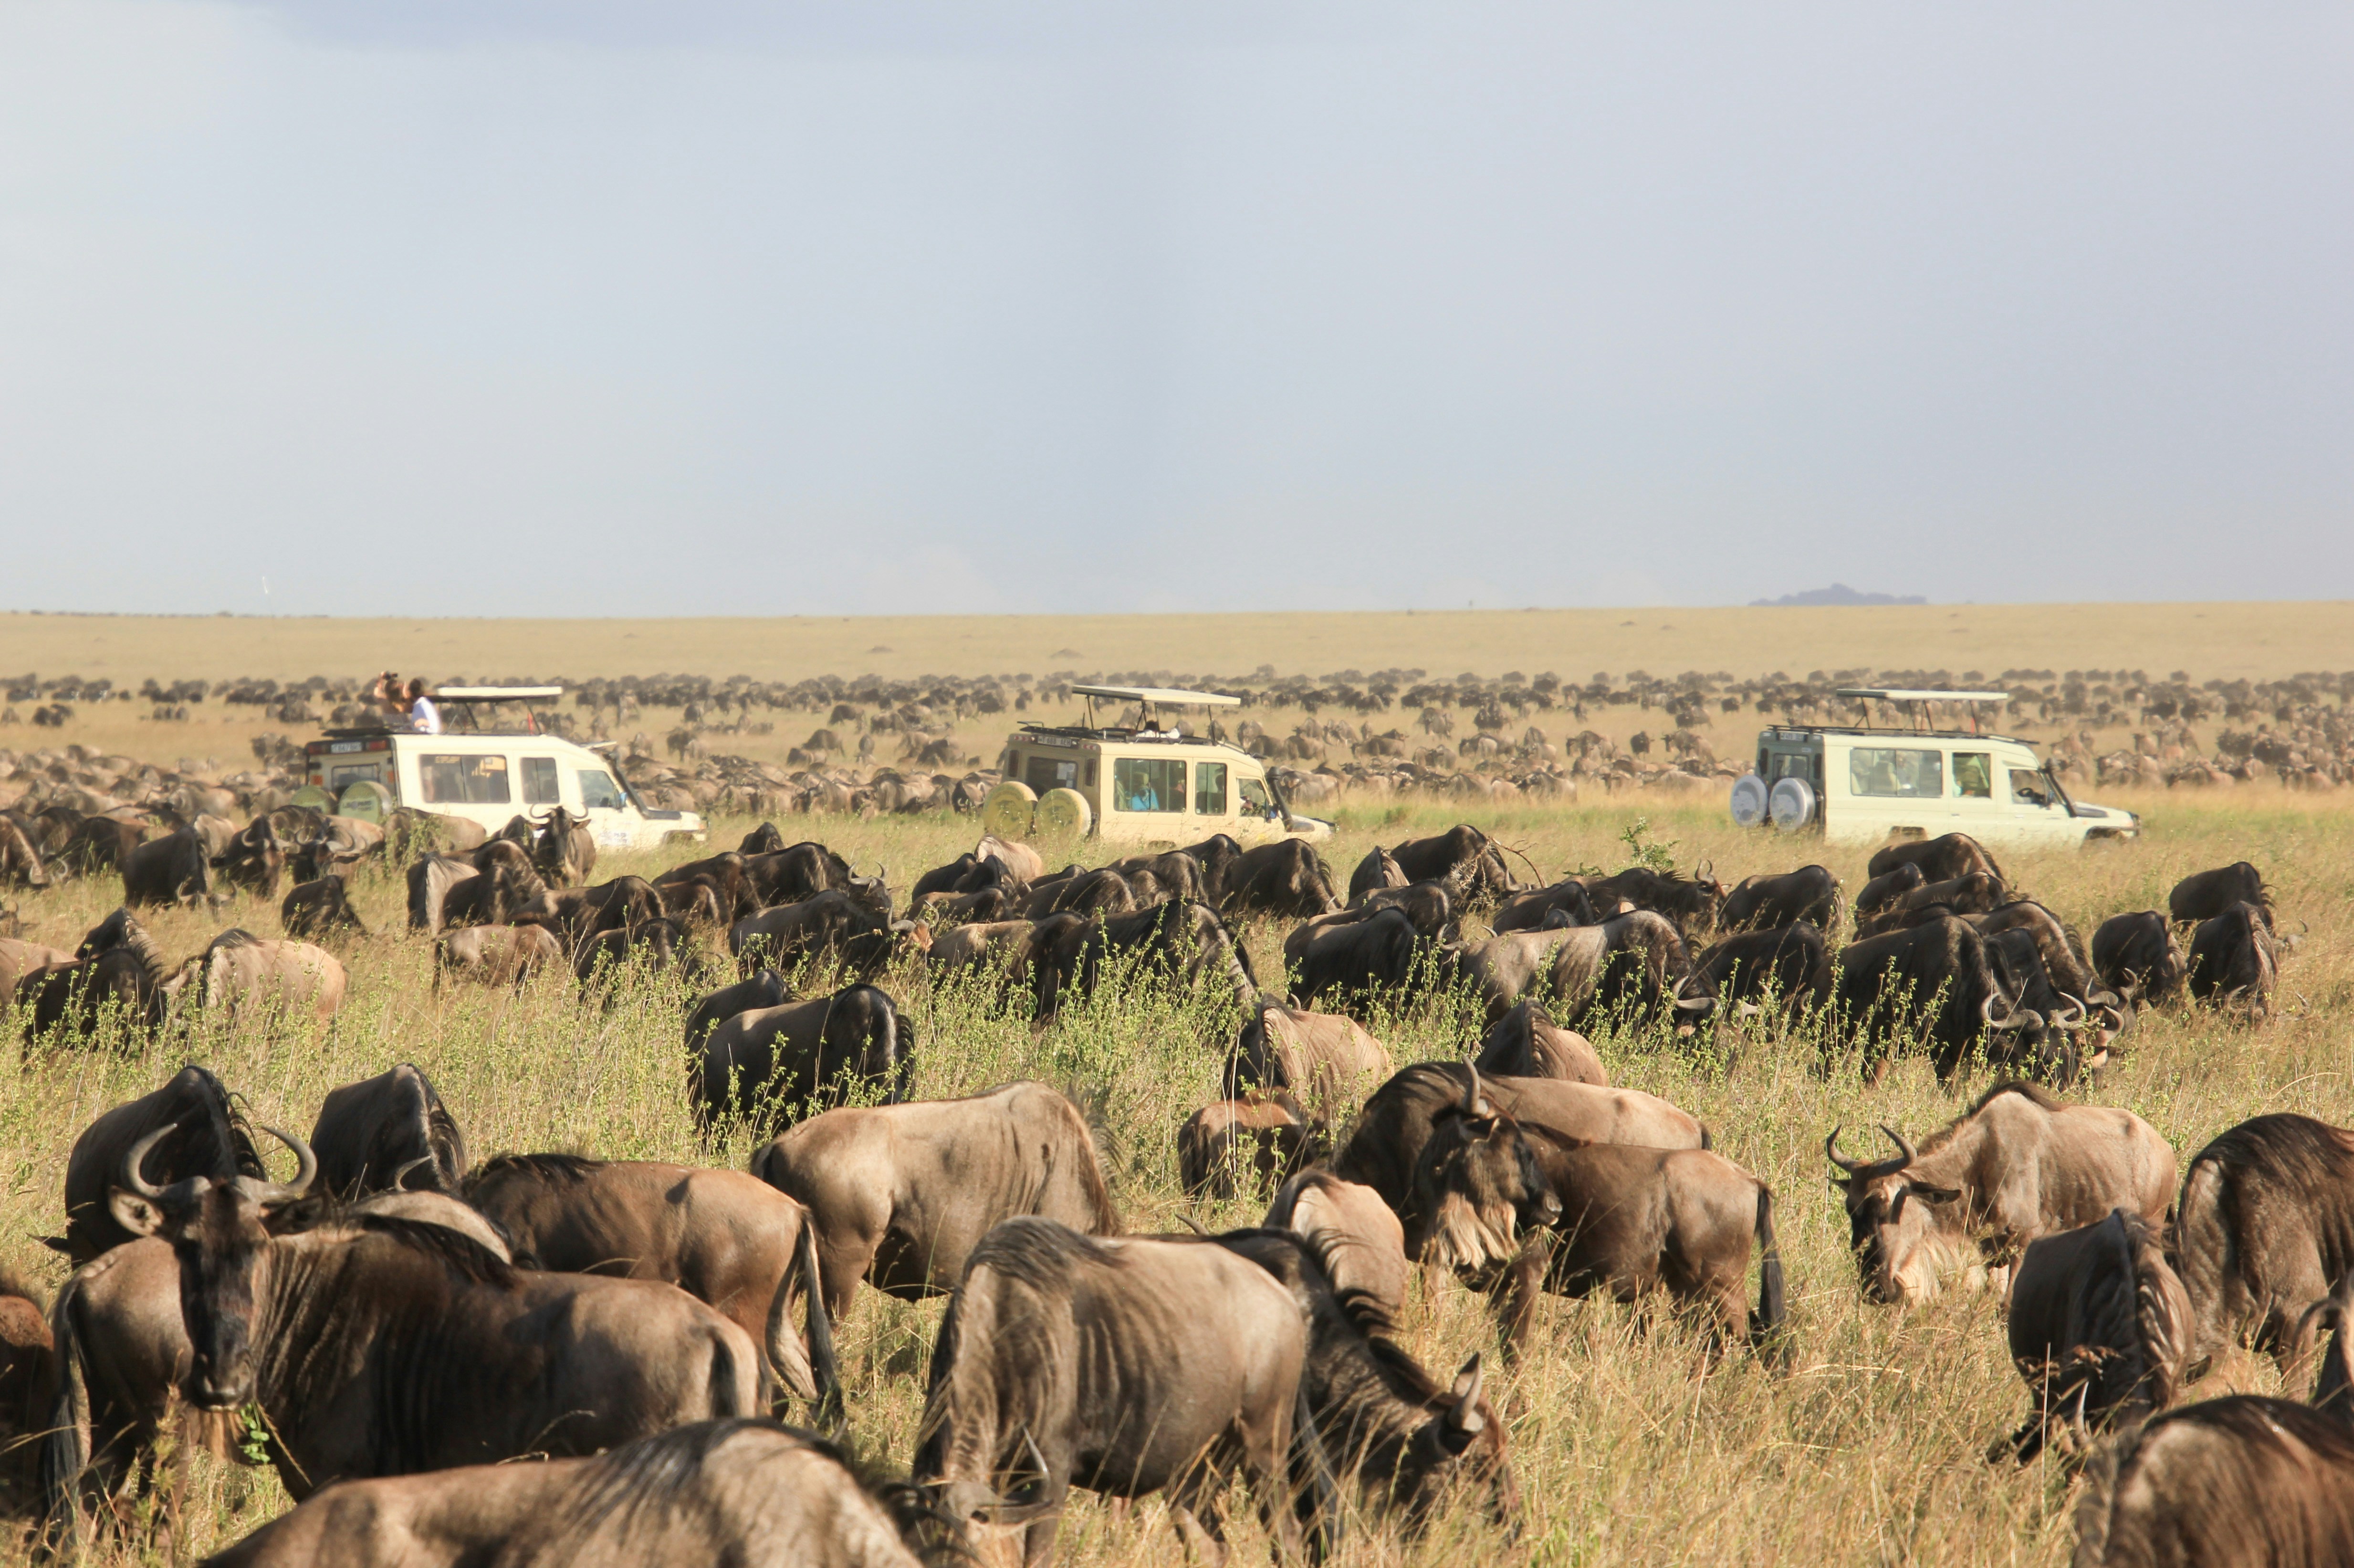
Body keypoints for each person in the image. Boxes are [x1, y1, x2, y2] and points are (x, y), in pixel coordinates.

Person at [373, 672, 442, 735]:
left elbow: (376, 694)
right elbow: (412, 709)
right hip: (406, 734)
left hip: (392, 733)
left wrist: (380, 680)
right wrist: (405, 695)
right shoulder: (402, 706)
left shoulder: (384, 703)